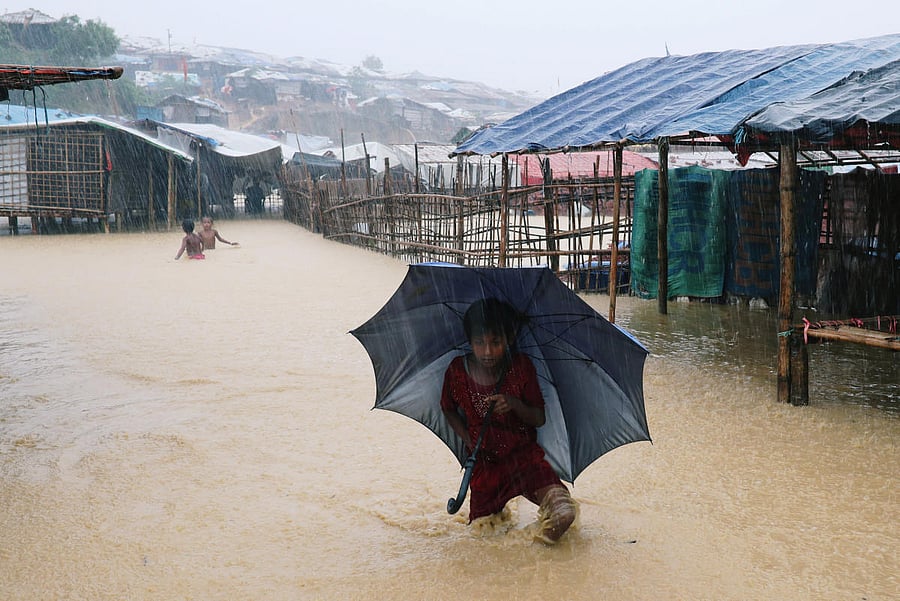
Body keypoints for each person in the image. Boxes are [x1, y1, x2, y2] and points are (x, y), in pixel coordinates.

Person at [440, 298, 576, 544]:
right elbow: (447, 409)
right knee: (482, 537)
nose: (488, 352)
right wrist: (468, 439)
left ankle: (538, 560)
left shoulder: (521, 367)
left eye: (496, 342)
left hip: (525, 459)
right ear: (469, 342)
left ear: (509, 340)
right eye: (480, 343)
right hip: (485, 467)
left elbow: (538, 418)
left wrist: (514, 404)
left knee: (563, 513)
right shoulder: (457, 371)